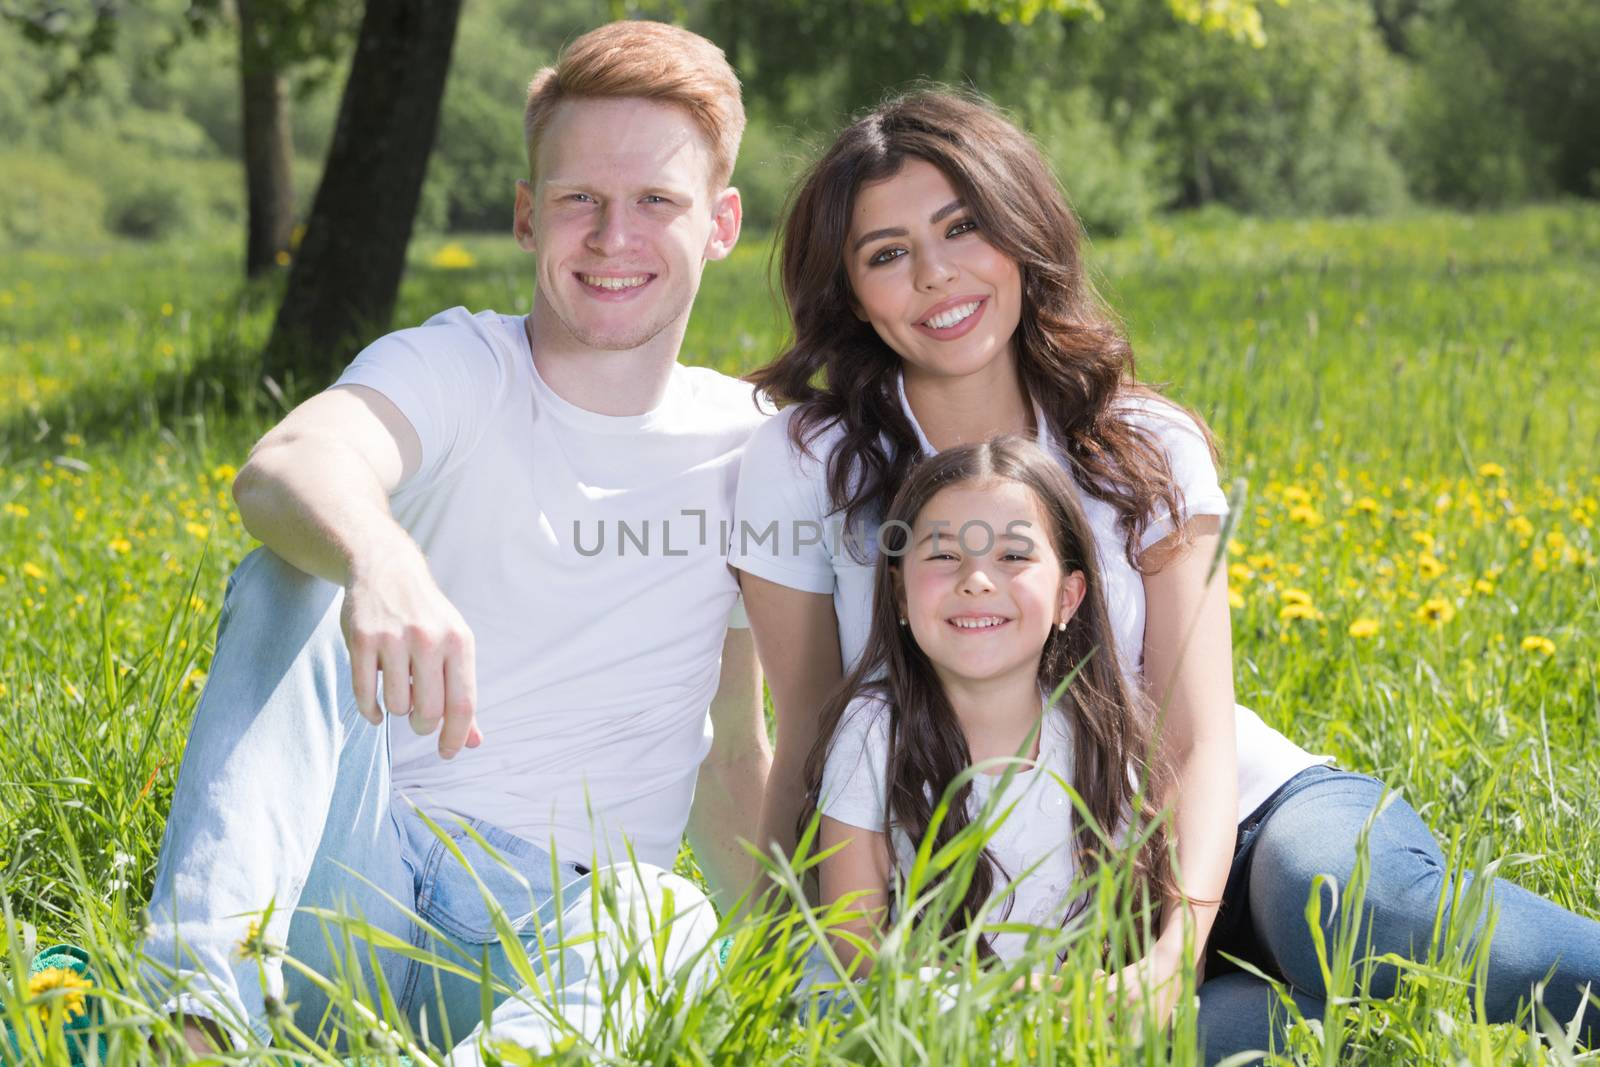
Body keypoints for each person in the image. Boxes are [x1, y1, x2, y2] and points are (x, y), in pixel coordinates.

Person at [730, 89, 1600, 1060]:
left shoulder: (1137, 440)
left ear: (1022, 231)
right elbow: (810, 724)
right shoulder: (810, 461)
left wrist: (1167, 955)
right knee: (1094, 1044)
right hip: (1020, 909)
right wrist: (762, 975)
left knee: (1363, 910)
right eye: (886, 253)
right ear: (851, 292)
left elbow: (1195, 729)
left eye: (962, 227)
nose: (935, 275)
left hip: (1233, 815)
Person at [140, 21, 772, 1064]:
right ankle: (195, 1024)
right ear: (529, 216)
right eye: (579, 199)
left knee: (672, 915)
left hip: (561, 933)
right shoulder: (462, 364)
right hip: (358, 887)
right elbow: (288, 463)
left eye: (656, 200)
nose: (614, 237)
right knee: (291, 577)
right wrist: (380, 559)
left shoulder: (755, 447)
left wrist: (822, 973)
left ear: (720, 224)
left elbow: (737, 749)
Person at [804, 436, 1175, 980]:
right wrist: (996, 1004)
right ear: (902, 595)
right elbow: (852, 941)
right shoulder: (874, 732)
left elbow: (1120, 925)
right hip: (915, 1011)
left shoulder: (1098, 732)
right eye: (945, 555)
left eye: (1013, 556)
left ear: (1066, 599)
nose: (976, 581)